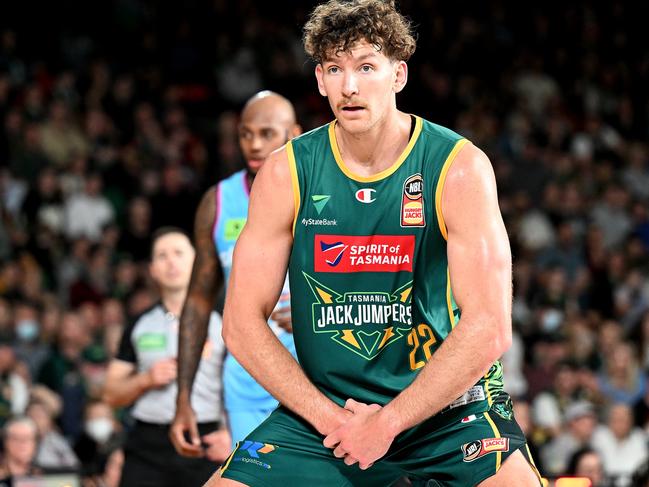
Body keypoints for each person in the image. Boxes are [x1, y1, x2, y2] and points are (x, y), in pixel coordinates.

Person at [206, 1, 540, 485]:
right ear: (320, 80)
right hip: (328, 414)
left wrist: (386, 423)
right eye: (336, 69)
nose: (350, 86)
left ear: (398, 75)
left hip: (447, 412)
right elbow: (240, 324)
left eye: (366, 67)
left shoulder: (457, 166)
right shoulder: (286, 172)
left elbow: (489, 327)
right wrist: (334, 422)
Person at [170, 91, 302, 454]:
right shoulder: (218, 201)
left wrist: (312, 312)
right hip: (245, 385)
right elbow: (197, 301)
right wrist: (184, 396)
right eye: (246, 134)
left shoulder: (319, 194)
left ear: (293, 134)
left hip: (310, 377)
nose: (254, 144)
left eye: (266, 133)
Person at [103, 227, 229, 487]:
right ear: (152, 270)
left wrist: (232, 433)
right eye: (162, 256)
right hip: (148, 445)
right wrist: (145, 380)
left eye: (178, 253)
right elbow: (110, 394)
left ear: (195, 261)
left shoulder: (222, 321)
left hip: (206, 440)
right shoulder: (139, 324)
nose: (171, 261)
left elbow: (242, 384)